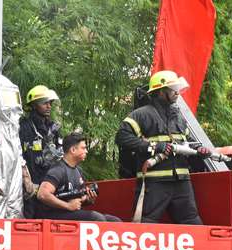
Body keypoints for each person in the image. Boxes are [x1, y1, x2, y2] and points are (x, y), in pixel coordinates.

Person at [115, 70, 210, 224]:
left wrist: (199, 149)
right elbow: (122, 137)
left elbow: (189, 140)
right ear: (160, 91)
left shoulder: (178, 117)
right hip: (155, 182)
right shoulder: (141, 115)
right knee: (146, 226)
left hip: (181, 181)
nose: (177, 93)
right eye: (173, 89)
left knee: (192, 223)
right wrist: (154, 146)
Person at [36, 132, 121, 222]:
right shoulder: (58, 170)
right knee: (97, 218)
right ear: (73, 150)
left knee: (114, 220)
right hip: (54, 217)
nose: (86, 151)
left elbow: (78, 200)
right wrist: (68, 206)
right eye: (83, 148)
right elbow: (42, 194)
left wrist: (88, 199)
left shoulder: (78, 171)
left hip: (70, 214)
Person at [19, 85, 63, 218]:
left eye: (50, 103)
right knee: (30, 219)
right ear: (33, 105)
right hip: (29, 186)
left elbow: (60, 155)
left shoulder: (53, 128)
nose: (49, 106)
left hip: (49, 186)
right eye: (44, 102)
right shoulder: (23, 127)